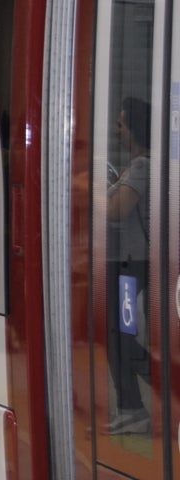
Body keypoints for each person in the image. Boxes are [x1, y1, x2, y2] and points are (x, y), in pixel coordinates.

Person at [106, 96, 151, 435]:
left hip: (132, 265)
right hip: (126, 263)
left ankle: (155, 385)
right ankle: (130, 407)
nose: (117, 131)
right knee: (118, 333)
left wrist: (91, 194)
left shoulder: (141, 167)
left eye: (121, 124)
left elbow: (117, 211)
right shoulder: (133, 166)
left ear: (133, 129)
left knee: (122, 333)